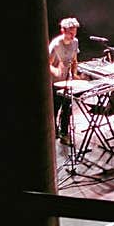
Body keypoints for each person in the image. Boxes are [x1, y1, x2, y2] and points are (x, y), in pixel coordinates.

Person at [49, 17, 81, 145]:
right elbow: (47, 63)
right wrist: (56, 71)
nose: (73, 34)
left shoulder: (75, 42)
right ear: (63, 30)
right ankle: (53, 132)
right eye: (71, 31)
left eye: (75, 31)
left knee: (67, 108)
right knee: (55, 108)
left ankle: (64, 134)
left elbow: (74, 60)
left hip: (67, 81)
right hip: (55, 82)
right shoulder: (56, 44)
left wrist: (75, 73)